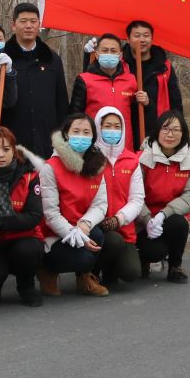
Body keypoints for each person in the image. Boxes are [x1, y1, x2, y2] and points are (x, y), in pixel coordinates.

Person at [35, 113, 110, 297]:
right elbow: (50, 213)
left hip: (80, 226)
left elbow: (101, 204)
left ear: (93, 137)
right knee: (84, 258)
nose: (81, 136)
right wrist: (72, 233)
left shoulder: (97, 164)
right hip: (54, 234)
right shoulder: (50, 167)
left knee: (98, 234)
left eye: (86, 132)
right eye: (76, 131)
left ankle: (85, 278)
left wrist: (84, 225)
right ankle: (47, 270)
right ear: (66, 134)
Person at [0, 125, 46, 306]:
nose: (1, 155)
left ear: (14, 151)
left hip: (24, 237)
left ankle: (26, 285)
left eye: (6, 149)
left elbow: (34, 215)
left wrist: (0, 221)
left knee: (26, 251)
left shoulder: (29, 175)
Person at [136, 110, 190, 283]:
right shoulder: (142, 157)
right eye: (165, 129)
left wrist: (164, 214)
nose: (170, 134)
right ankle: (145, 259)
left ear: (183, 134)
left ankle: (175, 266)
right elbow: (134, 195)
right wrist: (147, 219)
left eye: (176, 130)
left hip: (171, 216)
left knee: (179, 223)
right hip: (144, 219)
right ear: (157, 131)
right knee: (154, 252)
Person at [4, 2, 70, 157]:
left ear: (39, 25)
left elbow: (61, 103)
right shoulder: (1, 60)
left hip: (47, 141)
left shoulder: (52, 59)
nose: (28, 26)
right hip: (11, 141)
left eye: (33, 22)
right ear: (13, 25)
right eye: (23, 21)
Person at [92, 106, 145, 290]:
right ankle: (91, 272)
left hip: (124, 229)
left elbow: (137, 199)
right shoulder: (90, 158)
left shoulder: (131, 160)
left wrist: (118, 219)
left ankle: (110, 270)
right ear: (98, 127)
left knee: (131, 273)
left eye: (117, 126)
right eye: (107, 126)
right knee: (111, 241)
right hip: (95, 227)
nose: (112, 130)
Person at [71, 33, 143, 149]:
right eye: (105, 50)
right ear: (97, 54)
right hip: (94, 147)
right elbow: (75, 116)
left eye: (113, 51)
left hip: (125, 147)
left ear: (120, 56)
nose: (109, 54)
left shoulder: (131, 80)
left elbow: (136, 117)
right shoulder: (84, 80)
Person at [126, 20, 183, 150]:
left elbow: (176, 102)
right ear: (128, 39)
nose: (142, 39)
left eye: (146, 35)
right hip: (126, 129)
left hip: (157, 128)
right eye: (137, 35)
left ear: (152, 39)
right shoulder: (121, 64)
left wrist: (177, 129)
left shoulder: (164, 67)